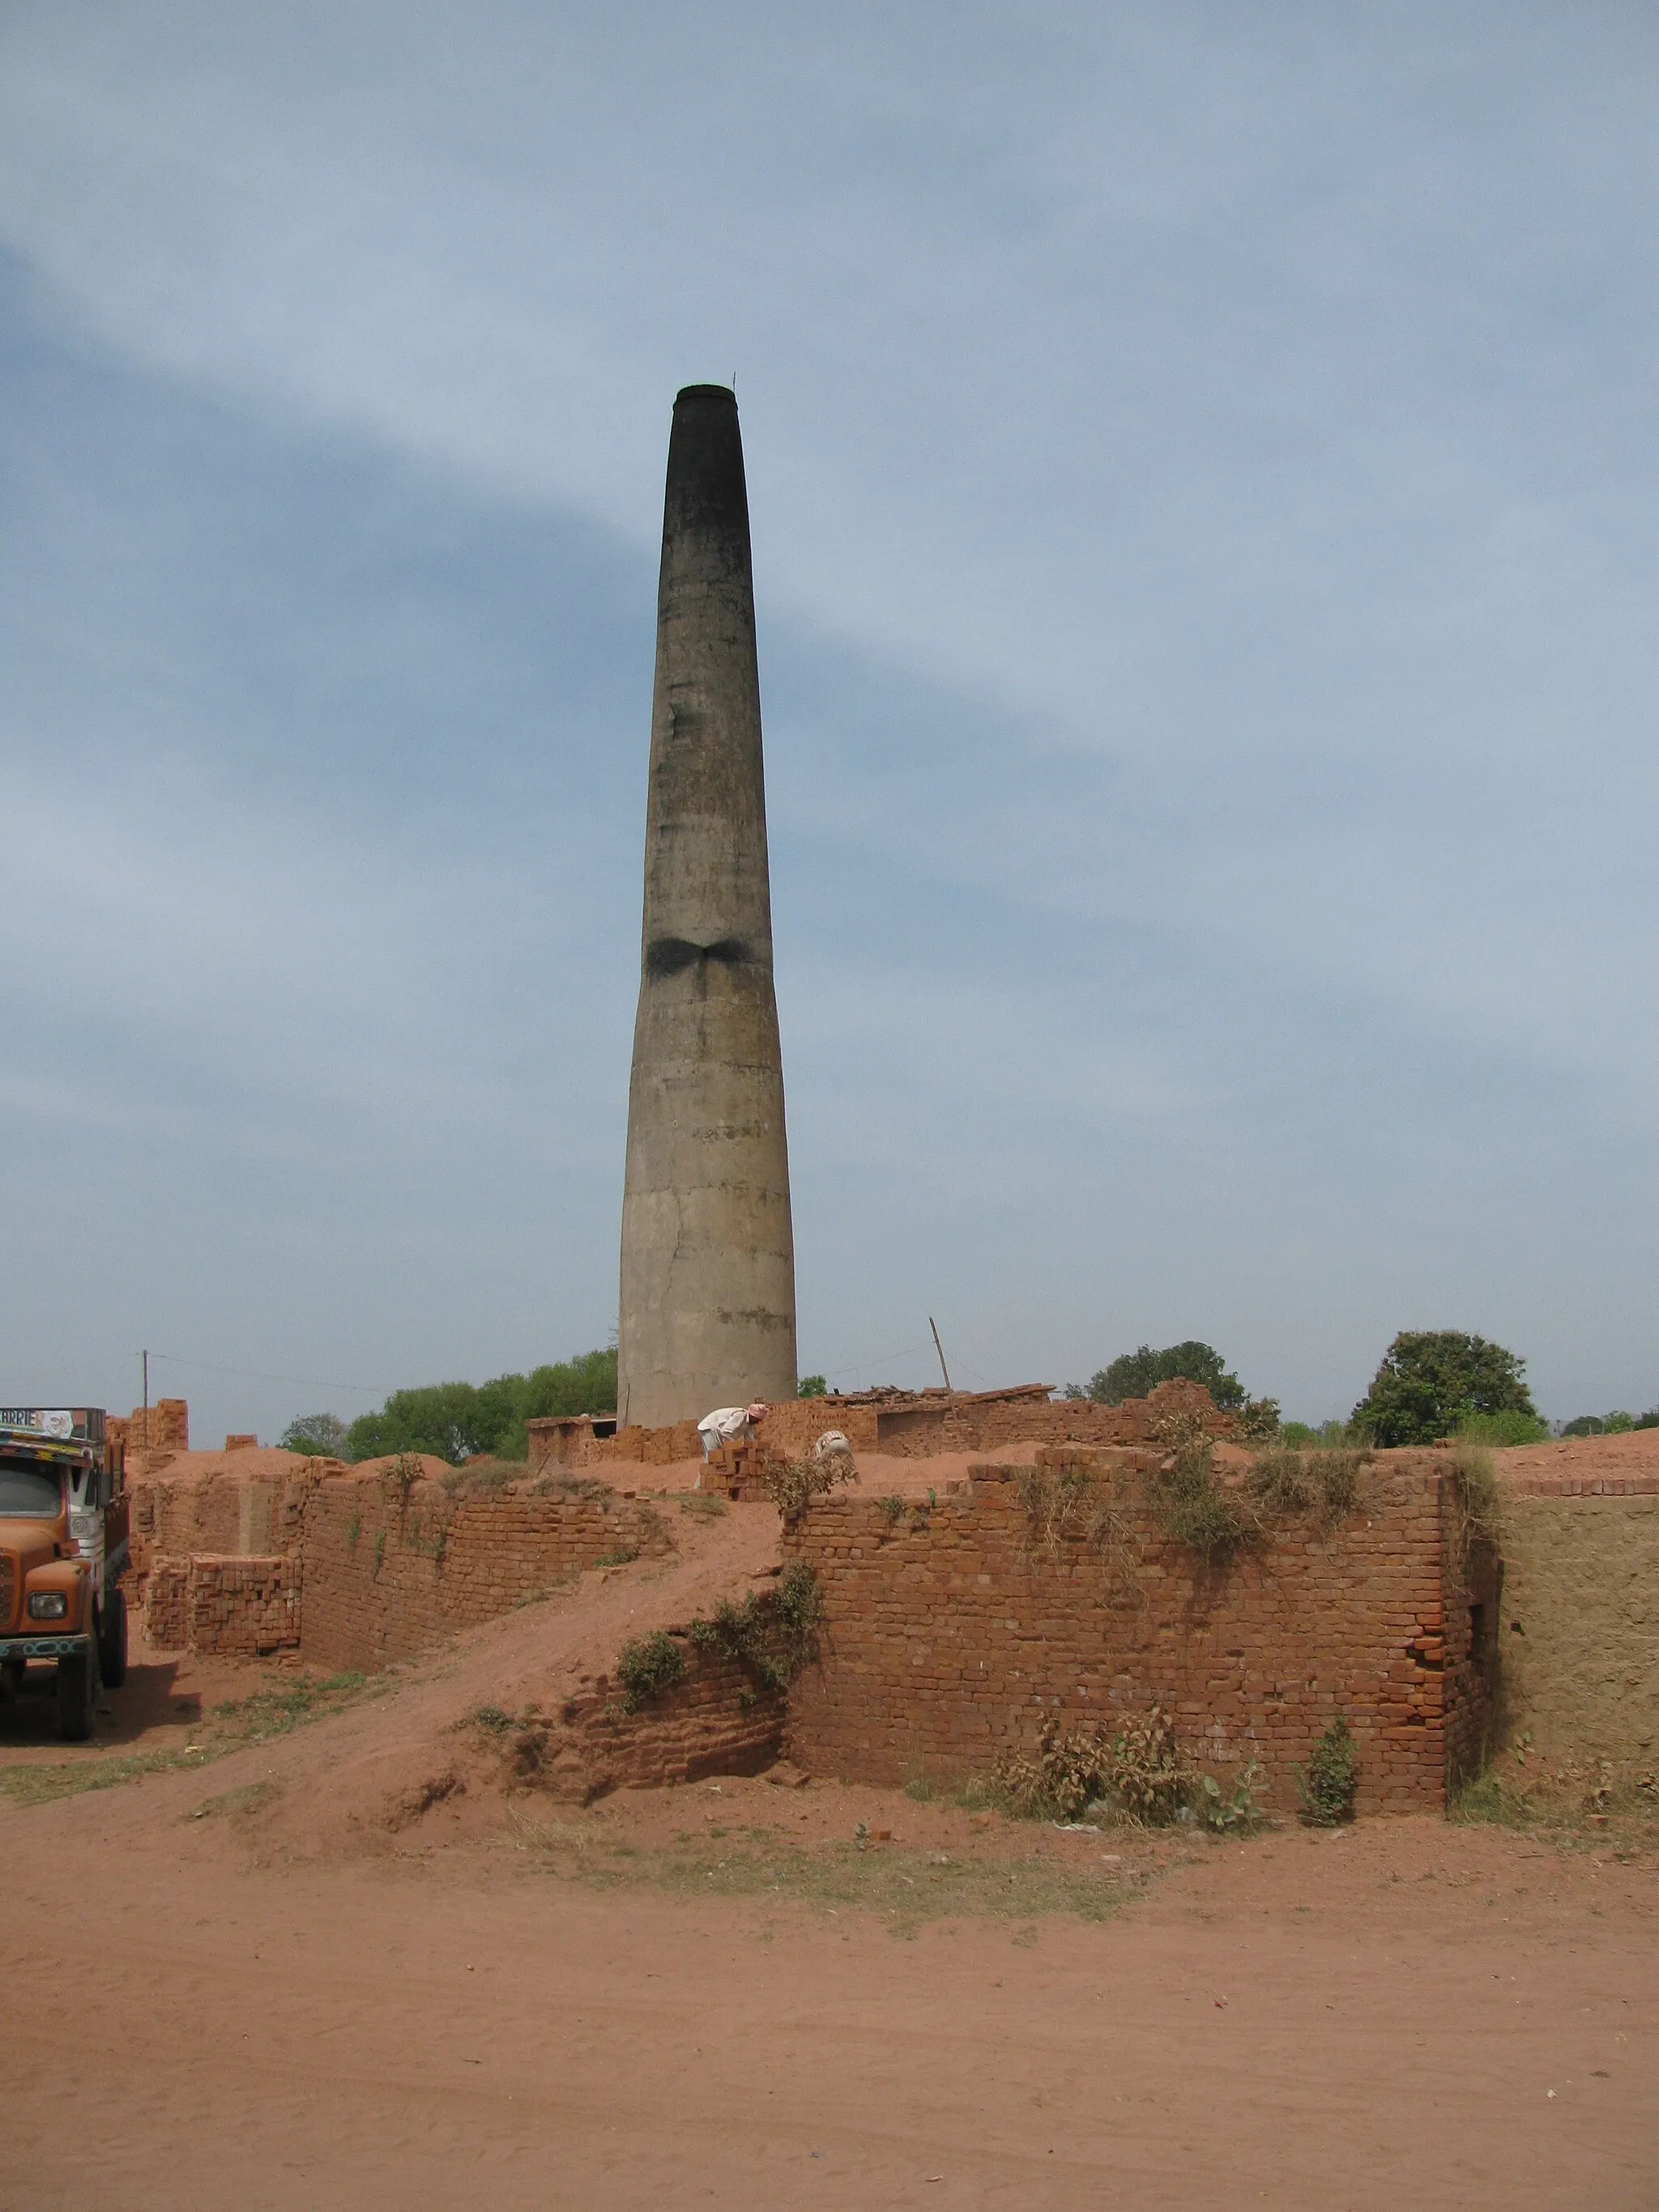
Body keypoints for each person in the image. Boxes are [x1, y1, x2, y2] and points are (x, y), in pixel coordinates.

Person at [697, 1402, 770, 1461]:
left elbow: (749, 1440)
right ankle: (704, 1478)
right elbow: (725, 1432)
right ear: (753, 1416)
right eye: (758, 1420)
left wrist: (753, 1453)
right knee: (713, 1457)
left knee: (722, 1459)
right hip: (709, 1428)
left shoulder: (750, 1424)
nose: (758, 1423)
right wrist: (734, 1445)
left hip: (718, 1432)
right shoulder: (740, 1415)